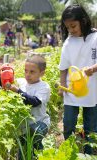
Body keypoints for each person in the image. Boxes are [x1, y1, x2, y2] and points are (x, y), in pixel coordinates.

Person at [59, 4, 97, 154]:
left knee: (91, 128)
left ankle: (88, 154)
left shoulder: (95, 38)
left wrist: (93, 68)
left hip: (92, 89)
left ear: (83, 21)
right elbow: (63, 68)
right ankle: (70, 152)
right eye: (68, 27)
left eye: (73, 26)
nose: (71, 30)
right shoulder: (68, 42)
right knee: (68, 124)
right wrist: (62, 86)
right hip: (72, 89)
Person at [0, 55, 50, 158]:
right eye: (26, 71)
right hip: (23, 127)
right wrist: (2, 75)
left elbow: (35, 102)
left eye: (32, 72)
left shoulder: (44, 87)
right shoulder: (20, 82)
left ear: (42, 73)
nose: (27, 74)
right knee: (23, 152)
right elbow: (2, 87)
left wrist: (17, 91)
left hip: (39, 123)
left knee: (33, 142)